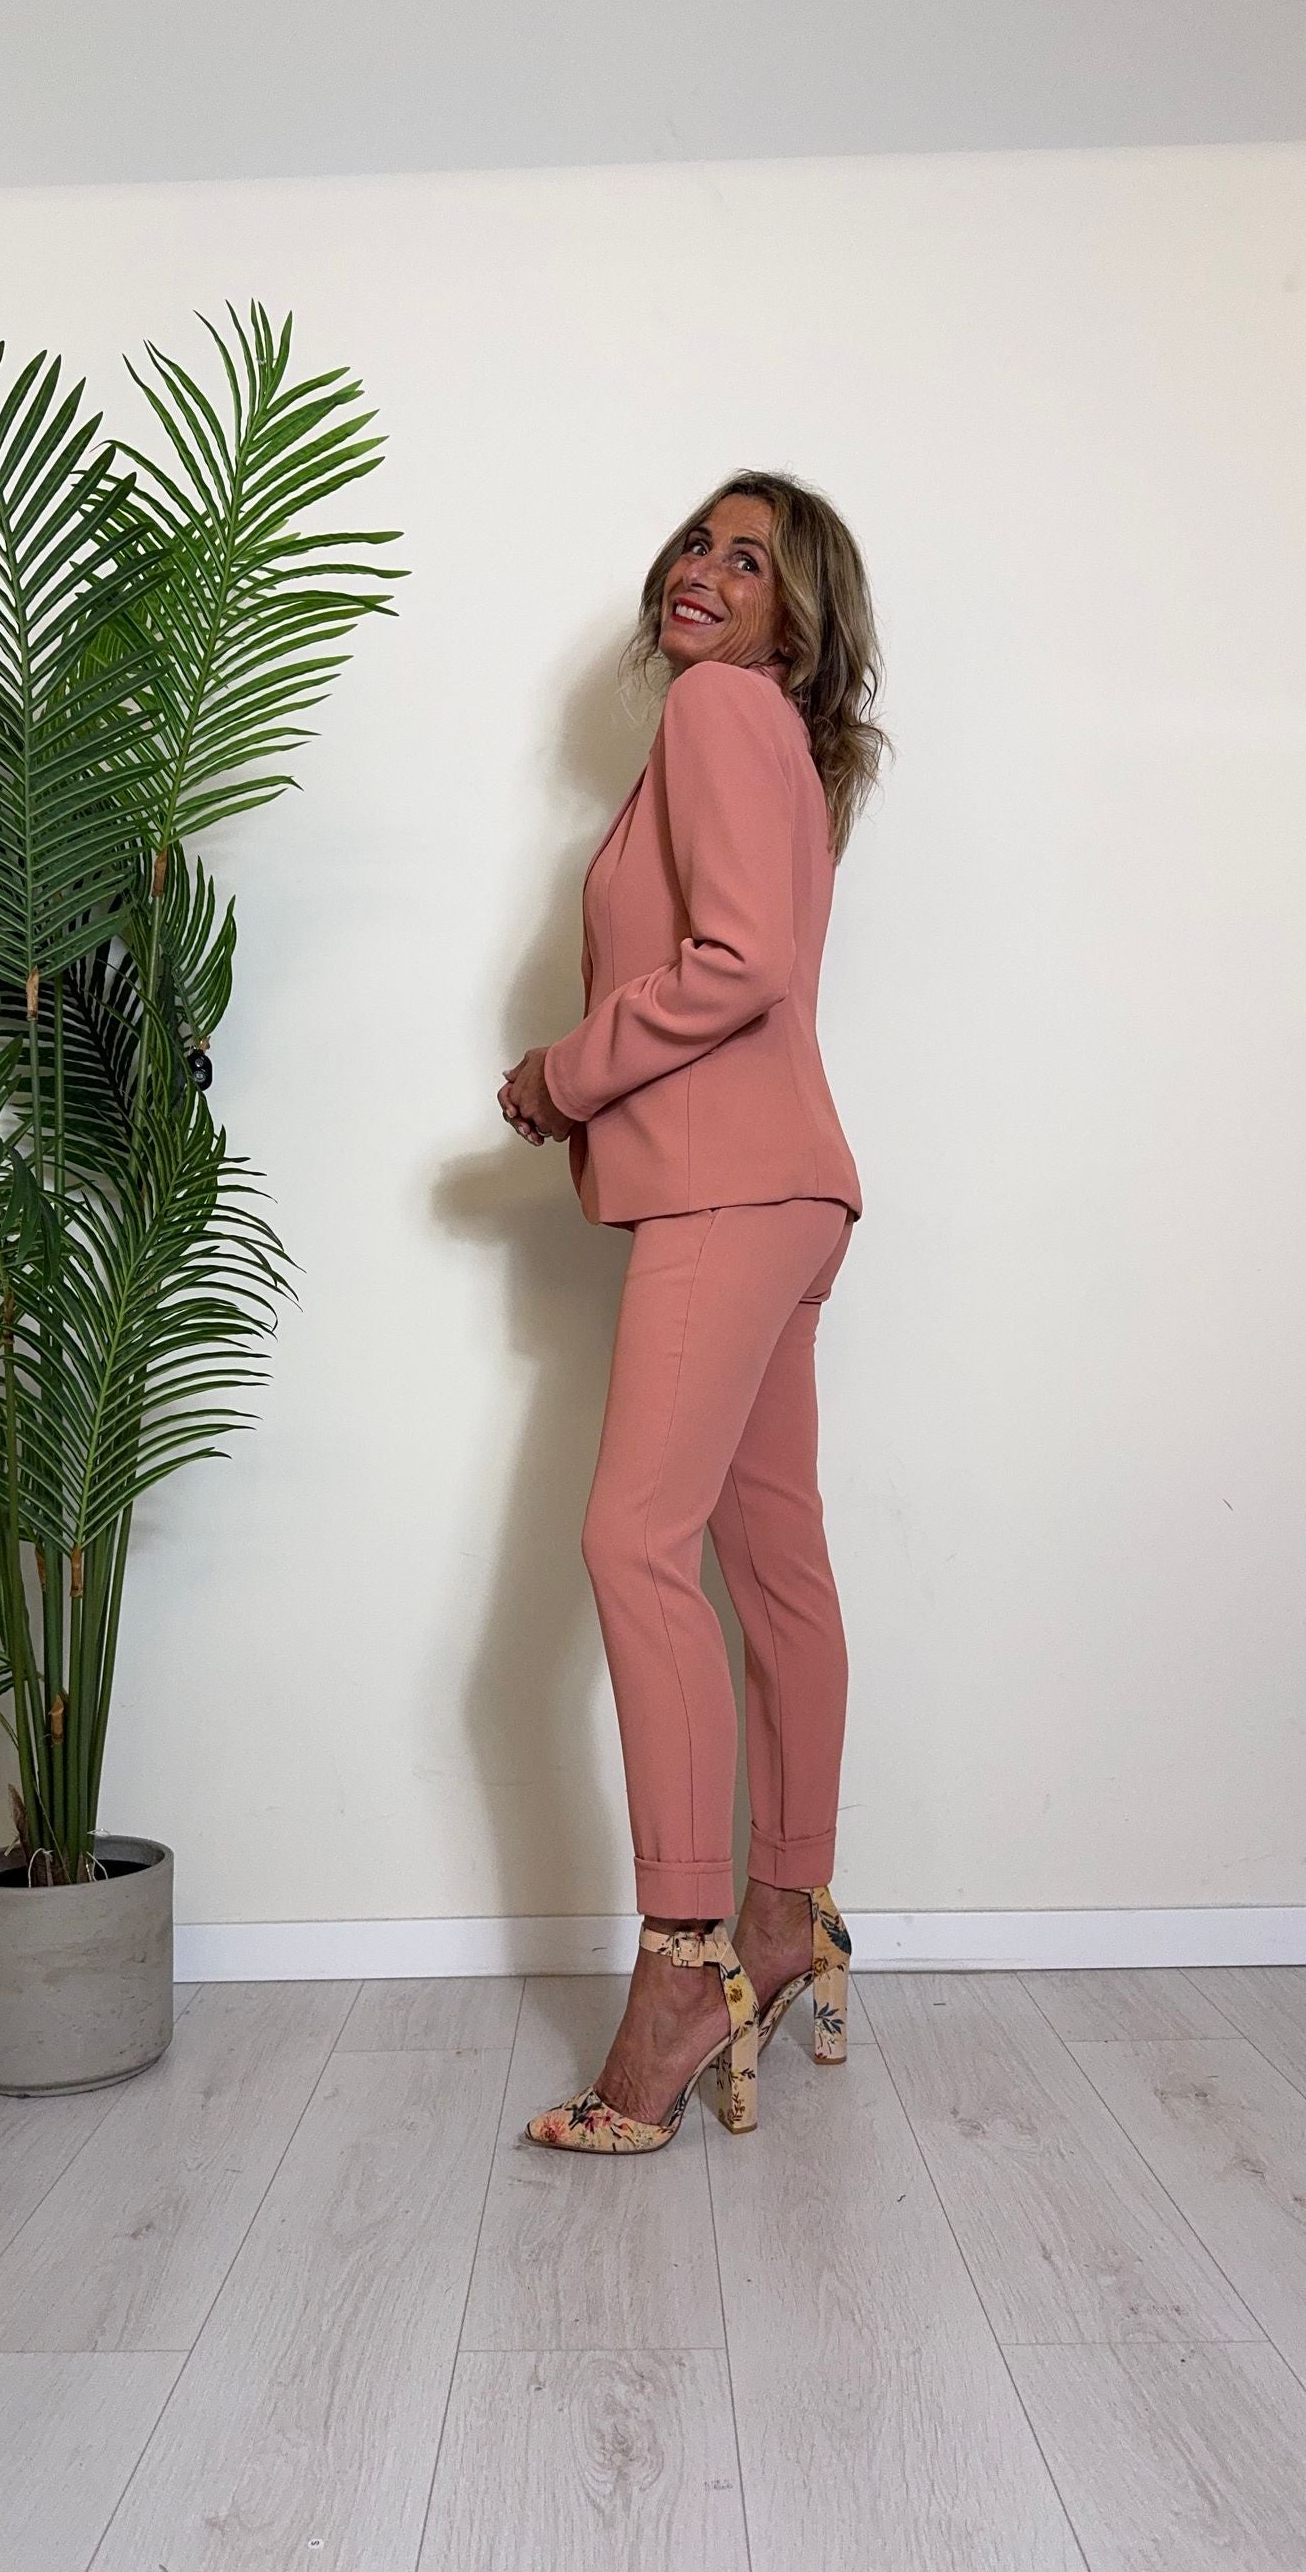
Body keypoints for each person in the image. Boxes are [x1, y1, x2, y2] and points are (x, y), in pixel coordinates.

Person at [499, 471, 888, 2155]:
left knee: (633, 1544)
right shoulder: (777, 741)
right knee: (773, 1559)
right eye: (696, 543)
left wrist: (562, 1076)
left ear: (795, 623)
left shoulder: (723, 712)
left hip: (730, 1191)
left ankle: (681, 1966)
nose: (703, 572)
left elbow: (735, 965)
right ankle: (786, 1913)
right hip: (793, 1191)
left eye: (751, 561)